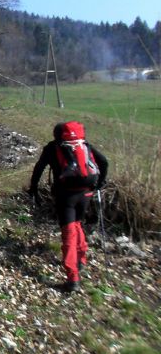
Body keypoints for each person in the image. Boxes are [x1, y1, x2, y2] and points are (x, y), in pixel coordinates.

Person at [28, 122, 108, 293]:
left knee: (69, 233)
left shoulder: (52, 148)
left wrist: (33, 188)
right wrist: (100, 183)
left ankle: (73, 278)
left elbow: (39, 168)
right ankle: (81, 260)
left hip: (66, 196)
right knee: (78, 224)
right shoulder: (84, 145)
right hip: (86, 193)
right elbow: (104, 162)